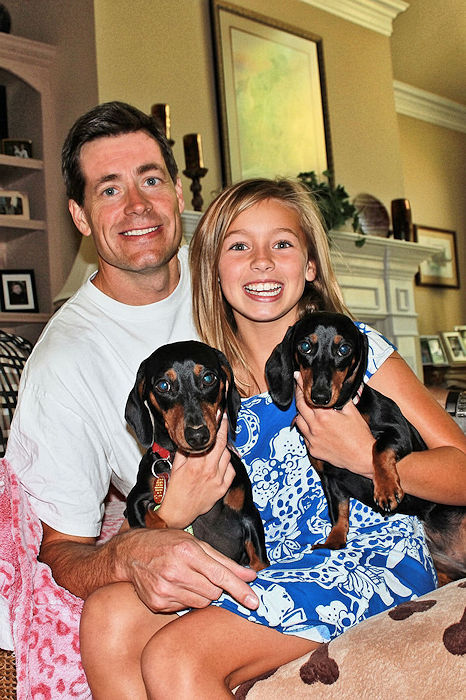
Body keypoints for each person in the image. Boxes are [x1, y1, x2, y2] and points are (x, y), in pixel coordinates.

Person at [79, 178, 466, 697]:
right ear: (213, 271)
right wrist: (172, 511)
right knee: (106, 616)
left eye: (281, 243)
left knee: (177, 655)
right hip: (264, 566)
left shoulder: (358, 352)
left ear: (310, 266)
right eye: (239, 246)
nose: (261, 261)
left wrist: (360, 454)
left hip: (368, 559)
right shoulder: (206, 383)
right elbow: (160, 503)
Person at [5, 101, 260, 617]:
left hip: (312, 504)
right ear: (80, 216)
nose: (138, 205)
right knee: (111, 619)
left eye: (150, 180)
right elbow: (60, 551)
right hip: (219, 544)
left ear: (177, 194)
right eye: (109, 190)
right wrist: (132, 551)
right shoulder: (64, 362)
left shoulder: (236, 275)